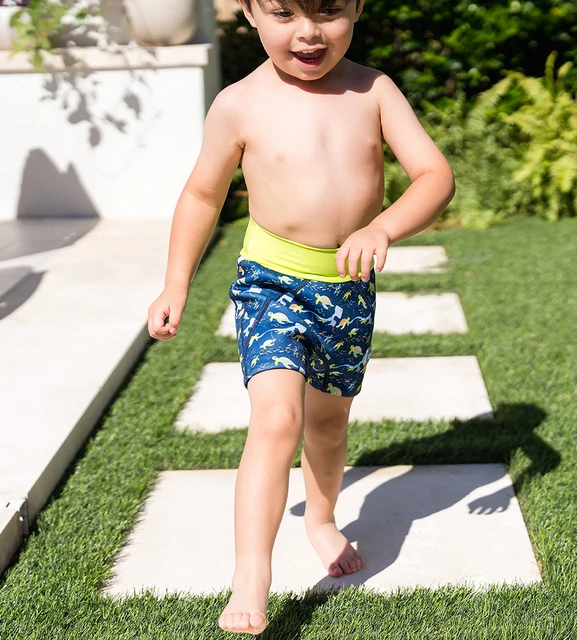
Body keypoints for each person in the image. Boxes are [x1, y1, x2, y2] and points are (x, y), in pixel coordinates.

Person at [147, 0, 455, 631]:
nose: (309, 32)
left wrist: (382, 227)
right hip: (271, 284)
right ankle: (251, 574)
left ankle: (320, 518)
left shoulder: (373, 90)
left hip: (347, 290)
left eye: (329, 11)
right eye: (284, 13)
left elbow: (434, 175)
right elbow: (202, 194)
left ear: (358, 7)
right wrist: (175, 282)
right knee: (277, 418)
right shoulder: (239, 103)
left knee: (328, 426)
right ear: (249, 11)